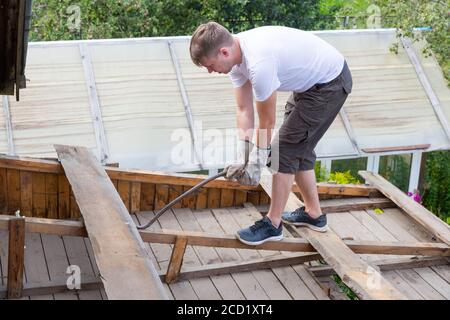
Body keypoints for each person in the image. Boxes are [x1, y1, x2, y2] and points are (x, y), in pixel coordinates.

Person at [189, 22, 352, 245]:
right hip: (311, 84)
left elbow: (267, 121)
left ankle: (273, 224)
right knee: (298, 148)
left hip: (330, 84)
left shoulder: (259, 63)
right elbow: (244, 110)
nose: (210, 71)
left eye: (210, 65)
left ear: (223, 52)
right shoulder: (236, 60)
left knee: (283, 151)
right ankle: (314, 215)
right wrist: (243, 155)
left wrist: (256, 162)